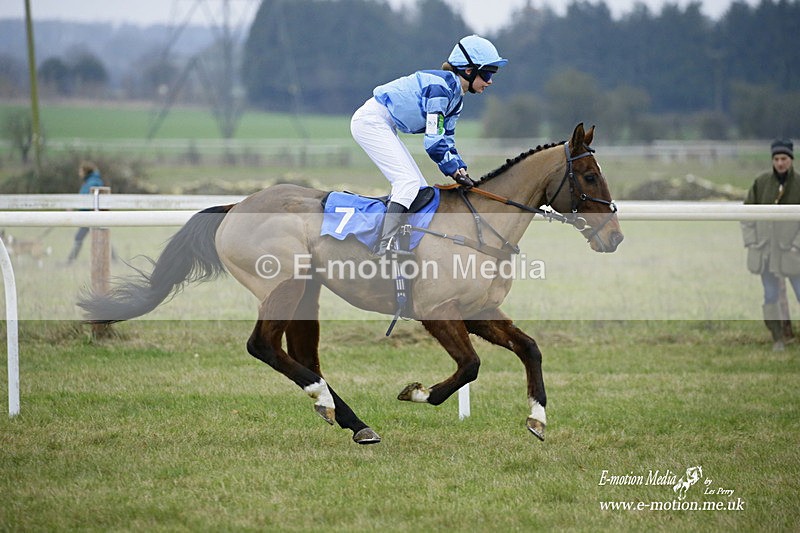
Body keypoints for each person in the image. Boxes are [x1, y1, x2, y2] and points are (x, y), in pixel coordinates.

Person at [350, 34, 507, 256]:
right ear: (469, 71)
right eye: (488, 73)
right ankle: (383, 247)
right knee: (408, 183)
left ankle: (402, 244)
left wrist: (460, 168)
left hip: (385, 125)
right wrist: (452, 171)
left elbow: (447, 139)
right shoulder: (440, 88)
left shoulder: (456, 99)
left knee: (421, 190)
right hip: (371, 121)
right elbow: (433, 142)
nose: (490, 81)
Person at [742, 139, 800, 350]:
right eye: (776, 159)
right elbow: (746, 215)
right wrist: (752, 242)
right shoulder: (761, 183)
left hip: (792, 254)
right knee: (770, 295)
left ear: (791, 160)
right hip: (766, 252)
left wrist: (796, 245)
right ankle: (777, 338)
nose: (780, 163)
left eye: (784, 158)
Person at [66, 161, 104, 263]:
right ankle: (114, 260)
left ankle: (70, 261)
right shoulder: (90, 181)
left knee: (81, 237)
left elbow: (86, 199)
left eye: (80, 170)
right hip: (89, 215)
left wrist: (74, 207)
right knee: (102, 237)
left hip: (90, 216)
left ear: (85, 171)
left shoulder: (92, 183)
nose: (79, 172)